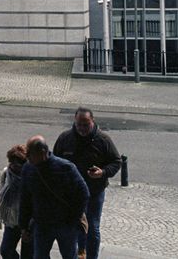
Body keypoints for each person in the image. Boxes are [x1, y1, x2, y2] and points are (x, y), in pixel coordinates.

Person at [53, 108, 121, 259]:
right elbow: (54, 162)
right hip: (71, 193)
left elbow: (116, 162)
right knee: (74, 225)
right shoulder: (65, 139)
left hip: (94, 191)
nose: (82, 128)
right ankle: (79, 252)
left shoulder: (103, 140)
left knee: (92, 227)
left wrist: (102, 172)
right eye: (79, 124)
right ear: (74, 122)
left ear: (93, 121)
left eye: (86, 124)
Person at [19, 135, 87, 259]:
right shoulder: (28, 169)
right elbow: (25, 198)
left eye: (30, 154)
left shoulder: (66, 168)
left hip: (65, 224)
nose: (27, 157)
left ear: (43, 152)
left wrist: (73, 219)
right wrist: (24, 226)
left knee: (69, 255)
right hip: (42, 224)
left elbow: (83, 193)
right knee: (39, 256)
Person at [0, 143, 32, 259]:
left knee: (27, 255)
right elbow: (1, 193)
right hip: (11, 219)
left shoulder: (31, 176)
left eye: (18, 163)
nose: (14, 165)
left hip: (28, 221)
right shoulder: (6, 173)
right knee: (6, 250)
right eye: (12, 161)